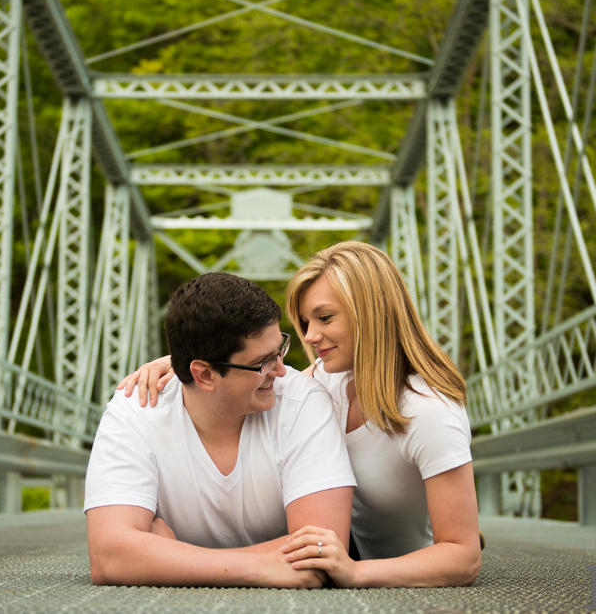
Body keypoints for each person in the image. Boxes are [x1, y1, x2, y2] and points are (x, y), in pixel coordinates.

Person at [120, 242, 481, 588]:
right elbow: (252, 373)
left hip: (400, 578)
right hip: (339, 555)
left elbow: (462, 557)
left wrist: (356, 573)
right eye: (305, 322)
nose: (310, 336)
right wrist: (183, 364)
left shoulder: (430, 411)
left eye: (324, 318)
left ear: (372, 313)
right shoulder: (330, 380)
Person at [85, 272, 356, 588]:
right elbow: (108, 559)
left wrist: (165, 556)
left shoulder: (302, 401)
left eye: (279, 349)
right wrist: (260, 568)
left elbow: (324, 553)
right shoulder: (135, 409)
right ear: (204, 375)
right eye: (262, 363)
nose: (281, 370)